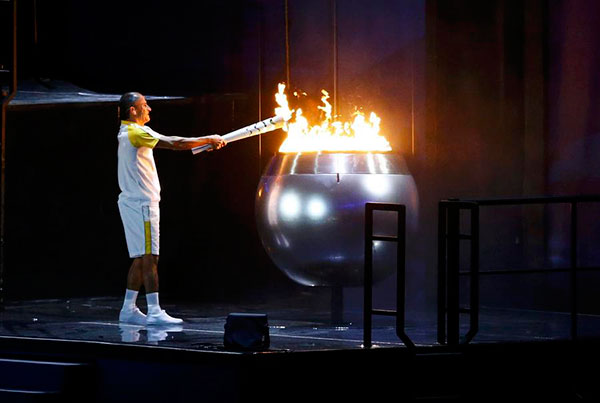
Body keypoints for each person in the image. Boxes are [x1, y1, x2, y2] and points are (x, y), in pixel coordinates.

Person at [116, 92, 226, 325]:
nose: (149, 109)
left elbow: (178, 142)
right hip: (142, 204)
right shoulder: (136, 132)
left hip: (136, 202)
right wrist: (209, 137)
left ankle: (128, 309)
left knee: (140, 257)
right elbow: (174, 143)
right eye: (144, 106)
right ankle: (154, 311)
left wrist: (204, 144)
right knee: (150, 257)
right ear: (133, 111)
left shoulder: (131, 132)